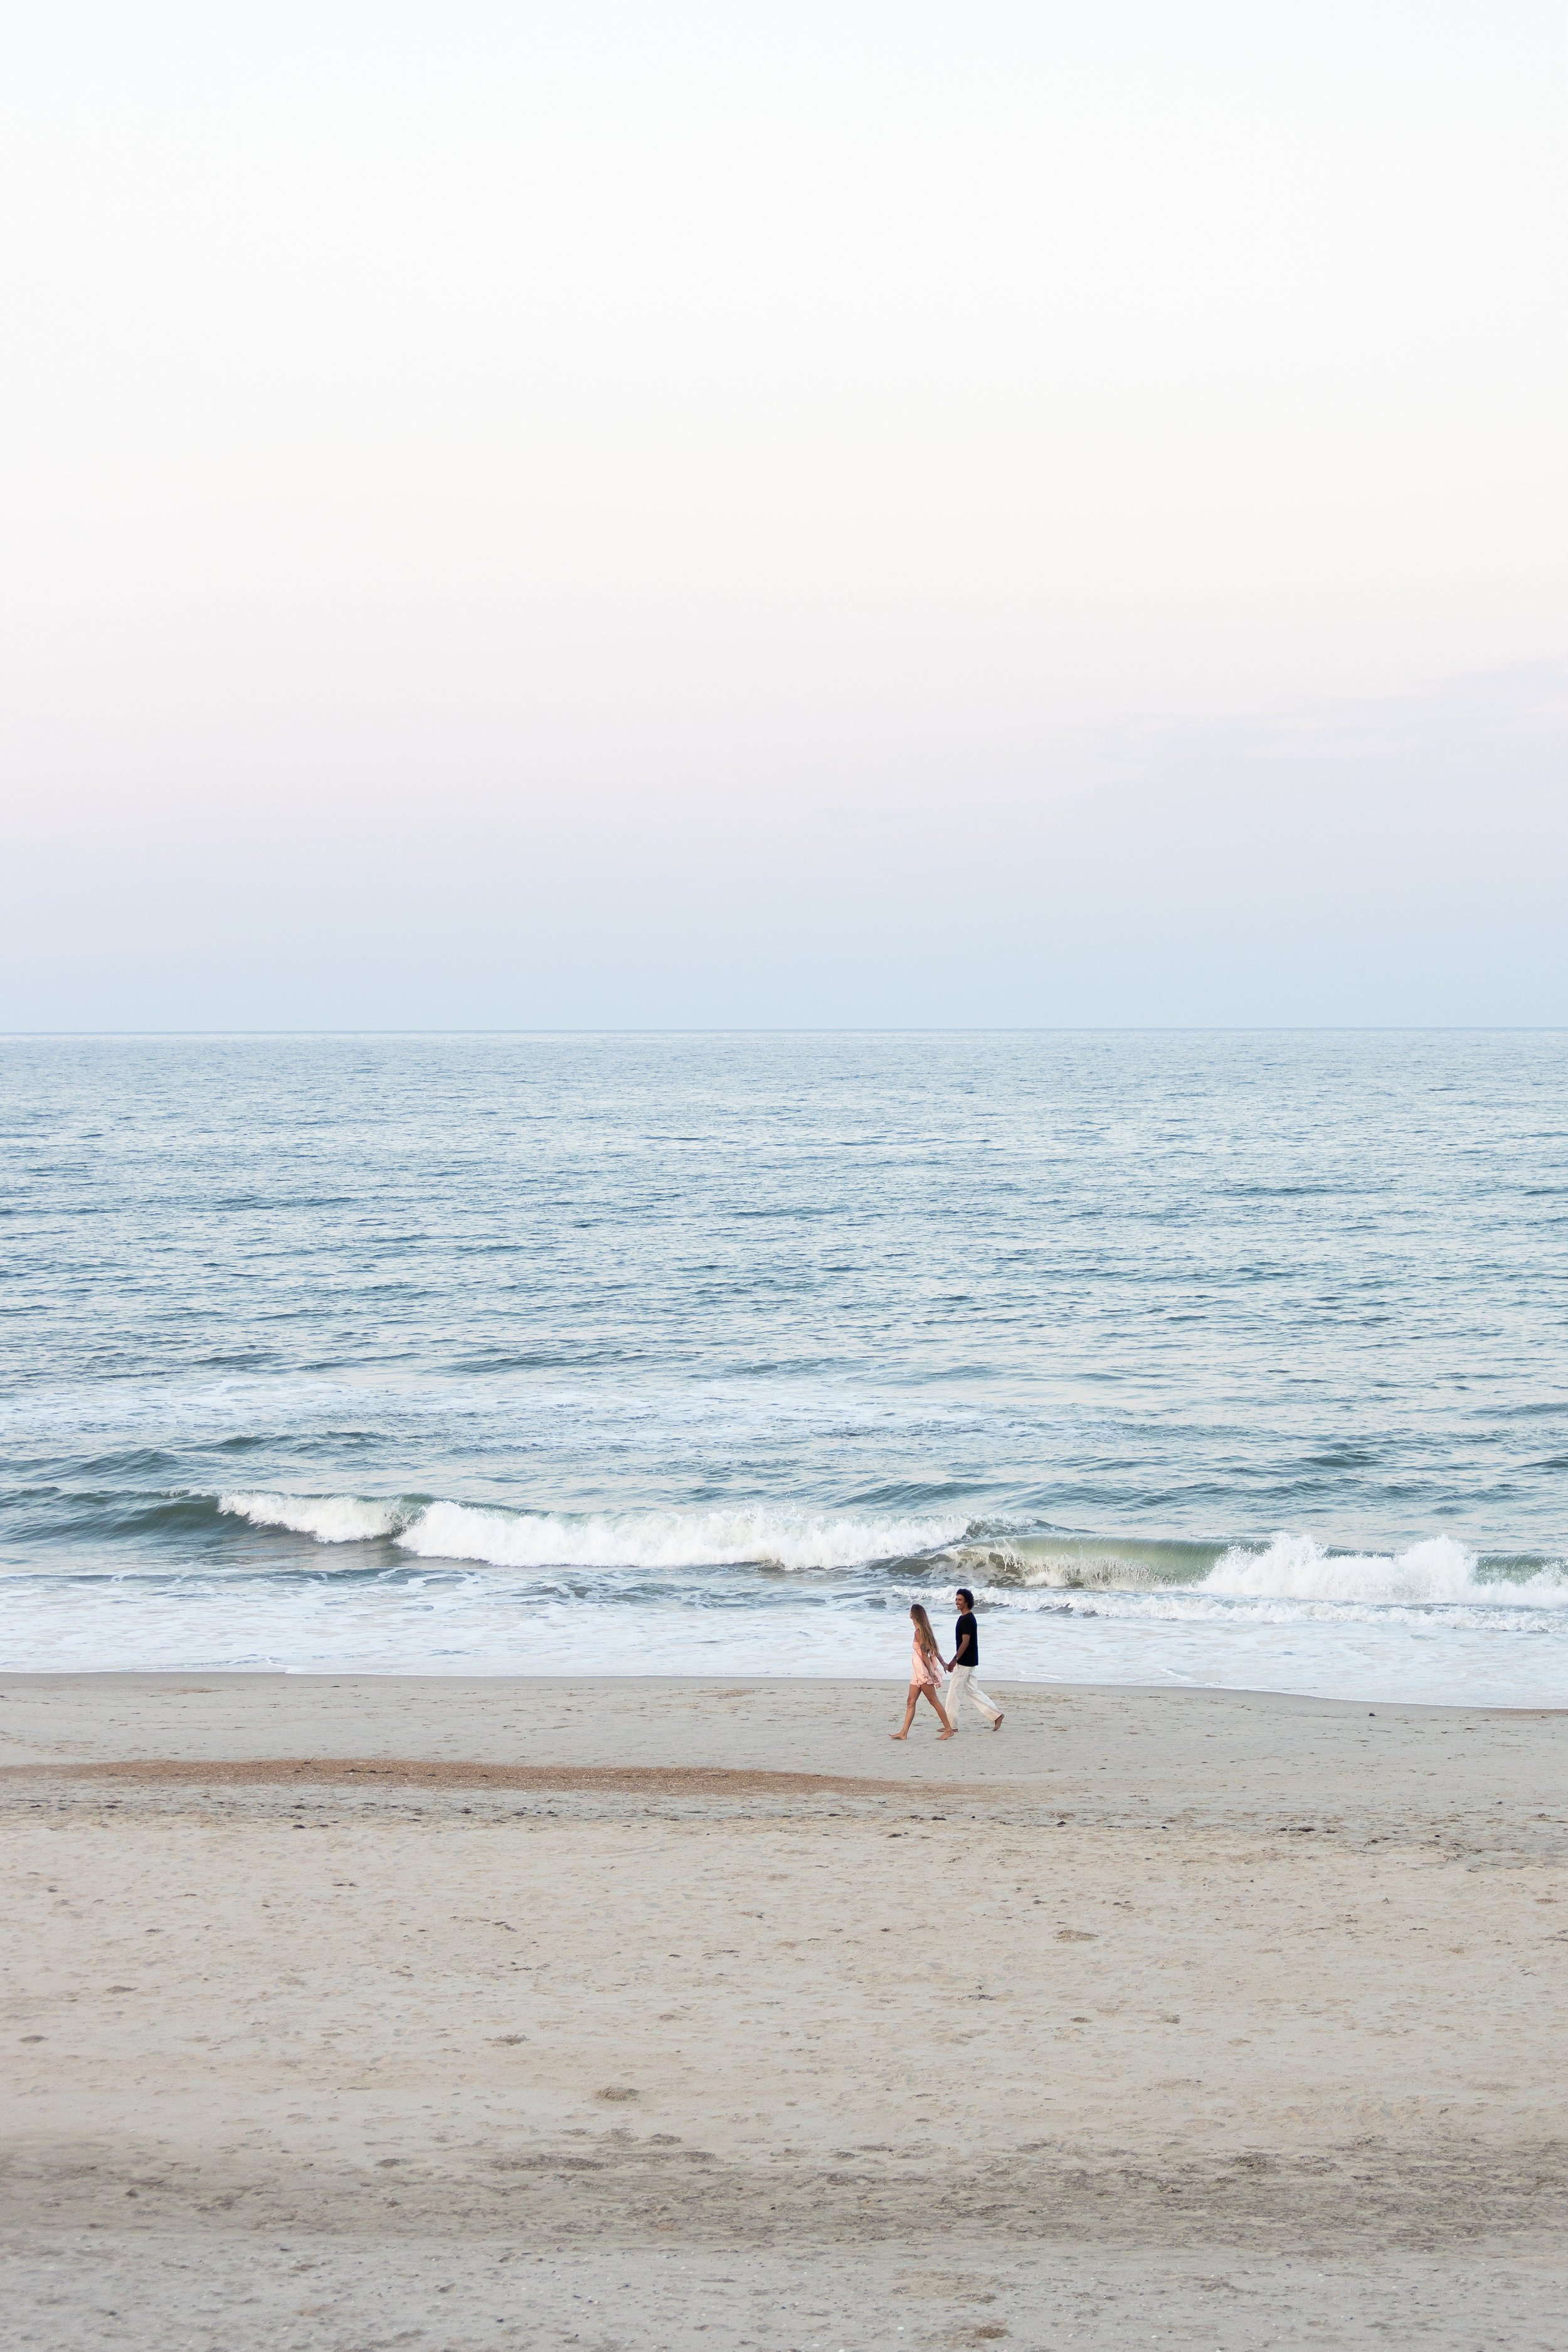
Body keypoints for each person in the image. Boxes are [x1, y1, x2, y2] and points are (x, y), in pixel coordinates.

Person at [941, 1587, 1003, 1732]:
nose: (957, 1602)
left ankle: (951, 1725)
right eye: (956, 1599)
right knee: (972, 1691)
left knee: (953, 1692)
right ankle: (996, 1715)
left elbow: (966, 1642)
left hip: (964, 1662)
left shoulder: (967, 1619)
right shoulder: (965, 1617)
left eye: (960, 1600)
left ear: (967, 1602)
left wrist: (955, 1659)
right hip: (969, 1660)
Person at [890, 1604, 955, 1739]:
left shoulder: (919, 1632)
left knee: (933, 1700)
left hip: (923, 1671)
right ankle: (904, 1733)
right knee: (911, 1701)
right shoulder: (924, 1630)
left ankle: (949, 1729)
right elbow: (934, 1650)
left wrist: (931, 1671)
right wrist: (942, 1662)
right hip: (918, 1672)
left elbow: (925, 1654)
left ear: (912, 1615)